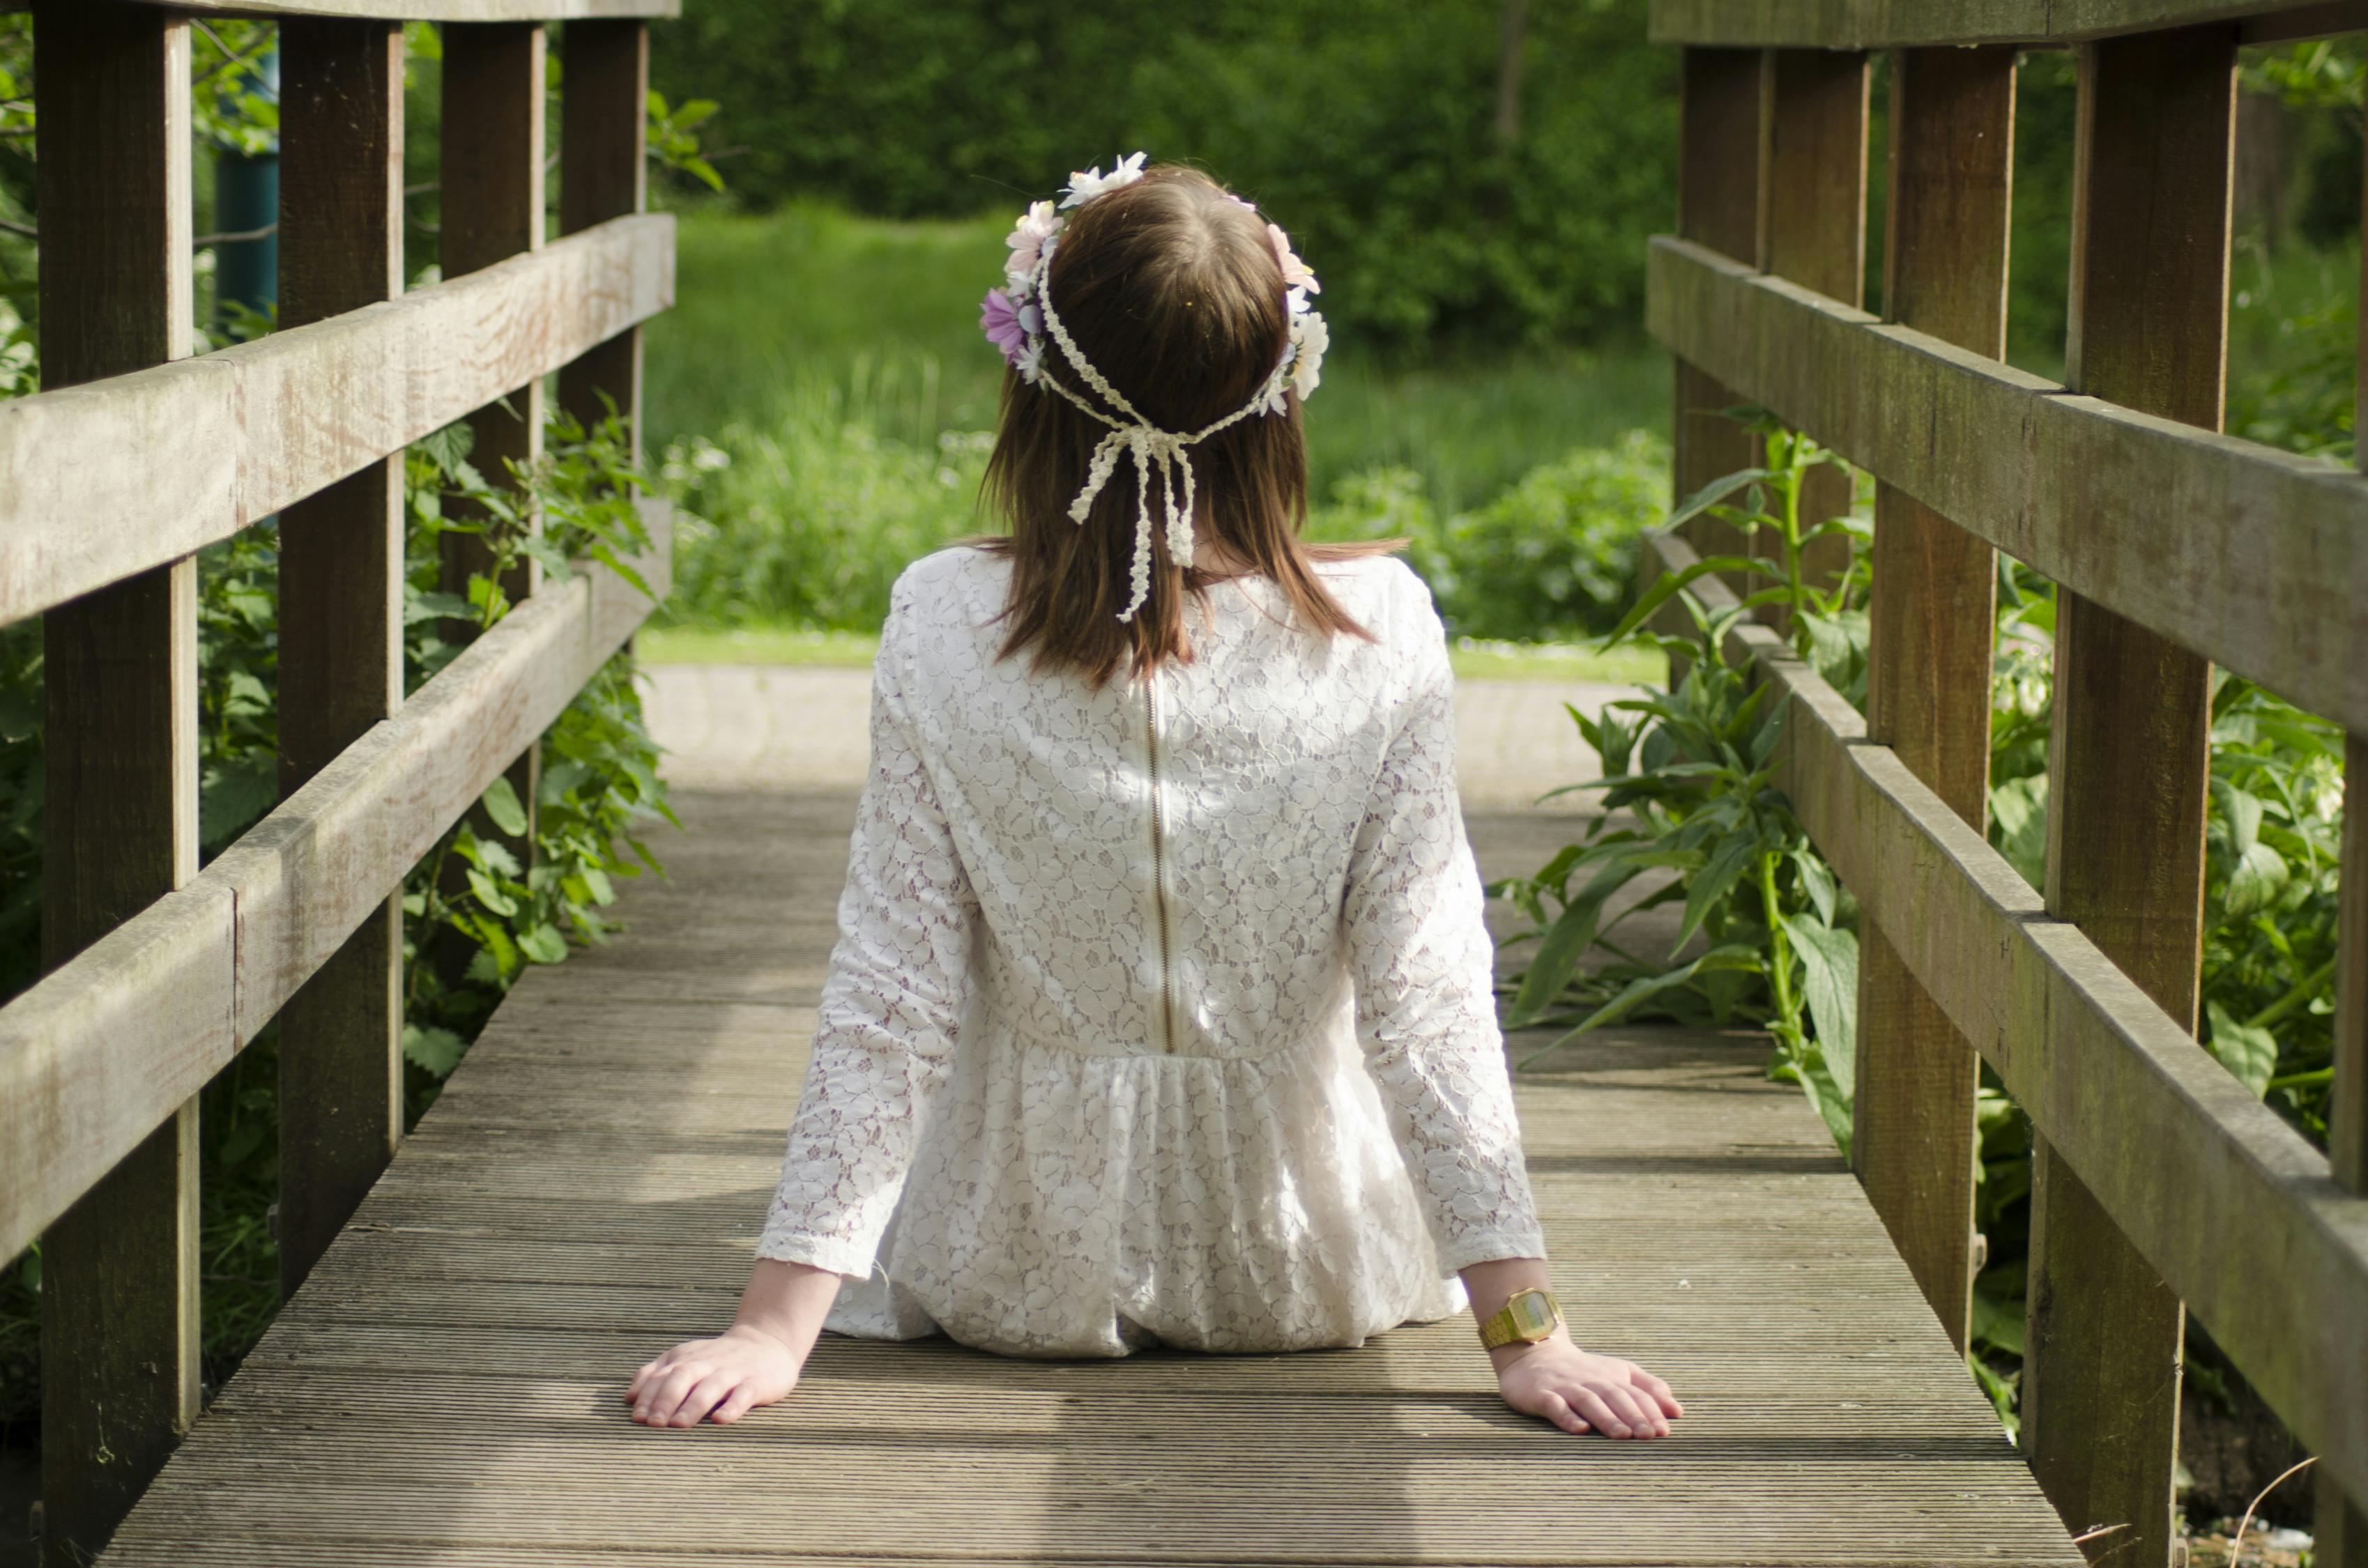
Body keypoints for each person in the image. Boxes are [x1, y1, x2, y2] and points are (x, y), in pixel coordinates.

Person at [627, 157, 1683, 1442]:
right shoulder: (1383, 632)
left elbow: (890, 990)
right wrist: (1529, 1334)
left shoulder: (941, 620)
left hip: (1011, 1268)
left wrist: (769, 1326)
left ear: (1034, 380)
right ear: (1286, 390)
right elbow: (1429, 995)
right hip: (1302, 1264)